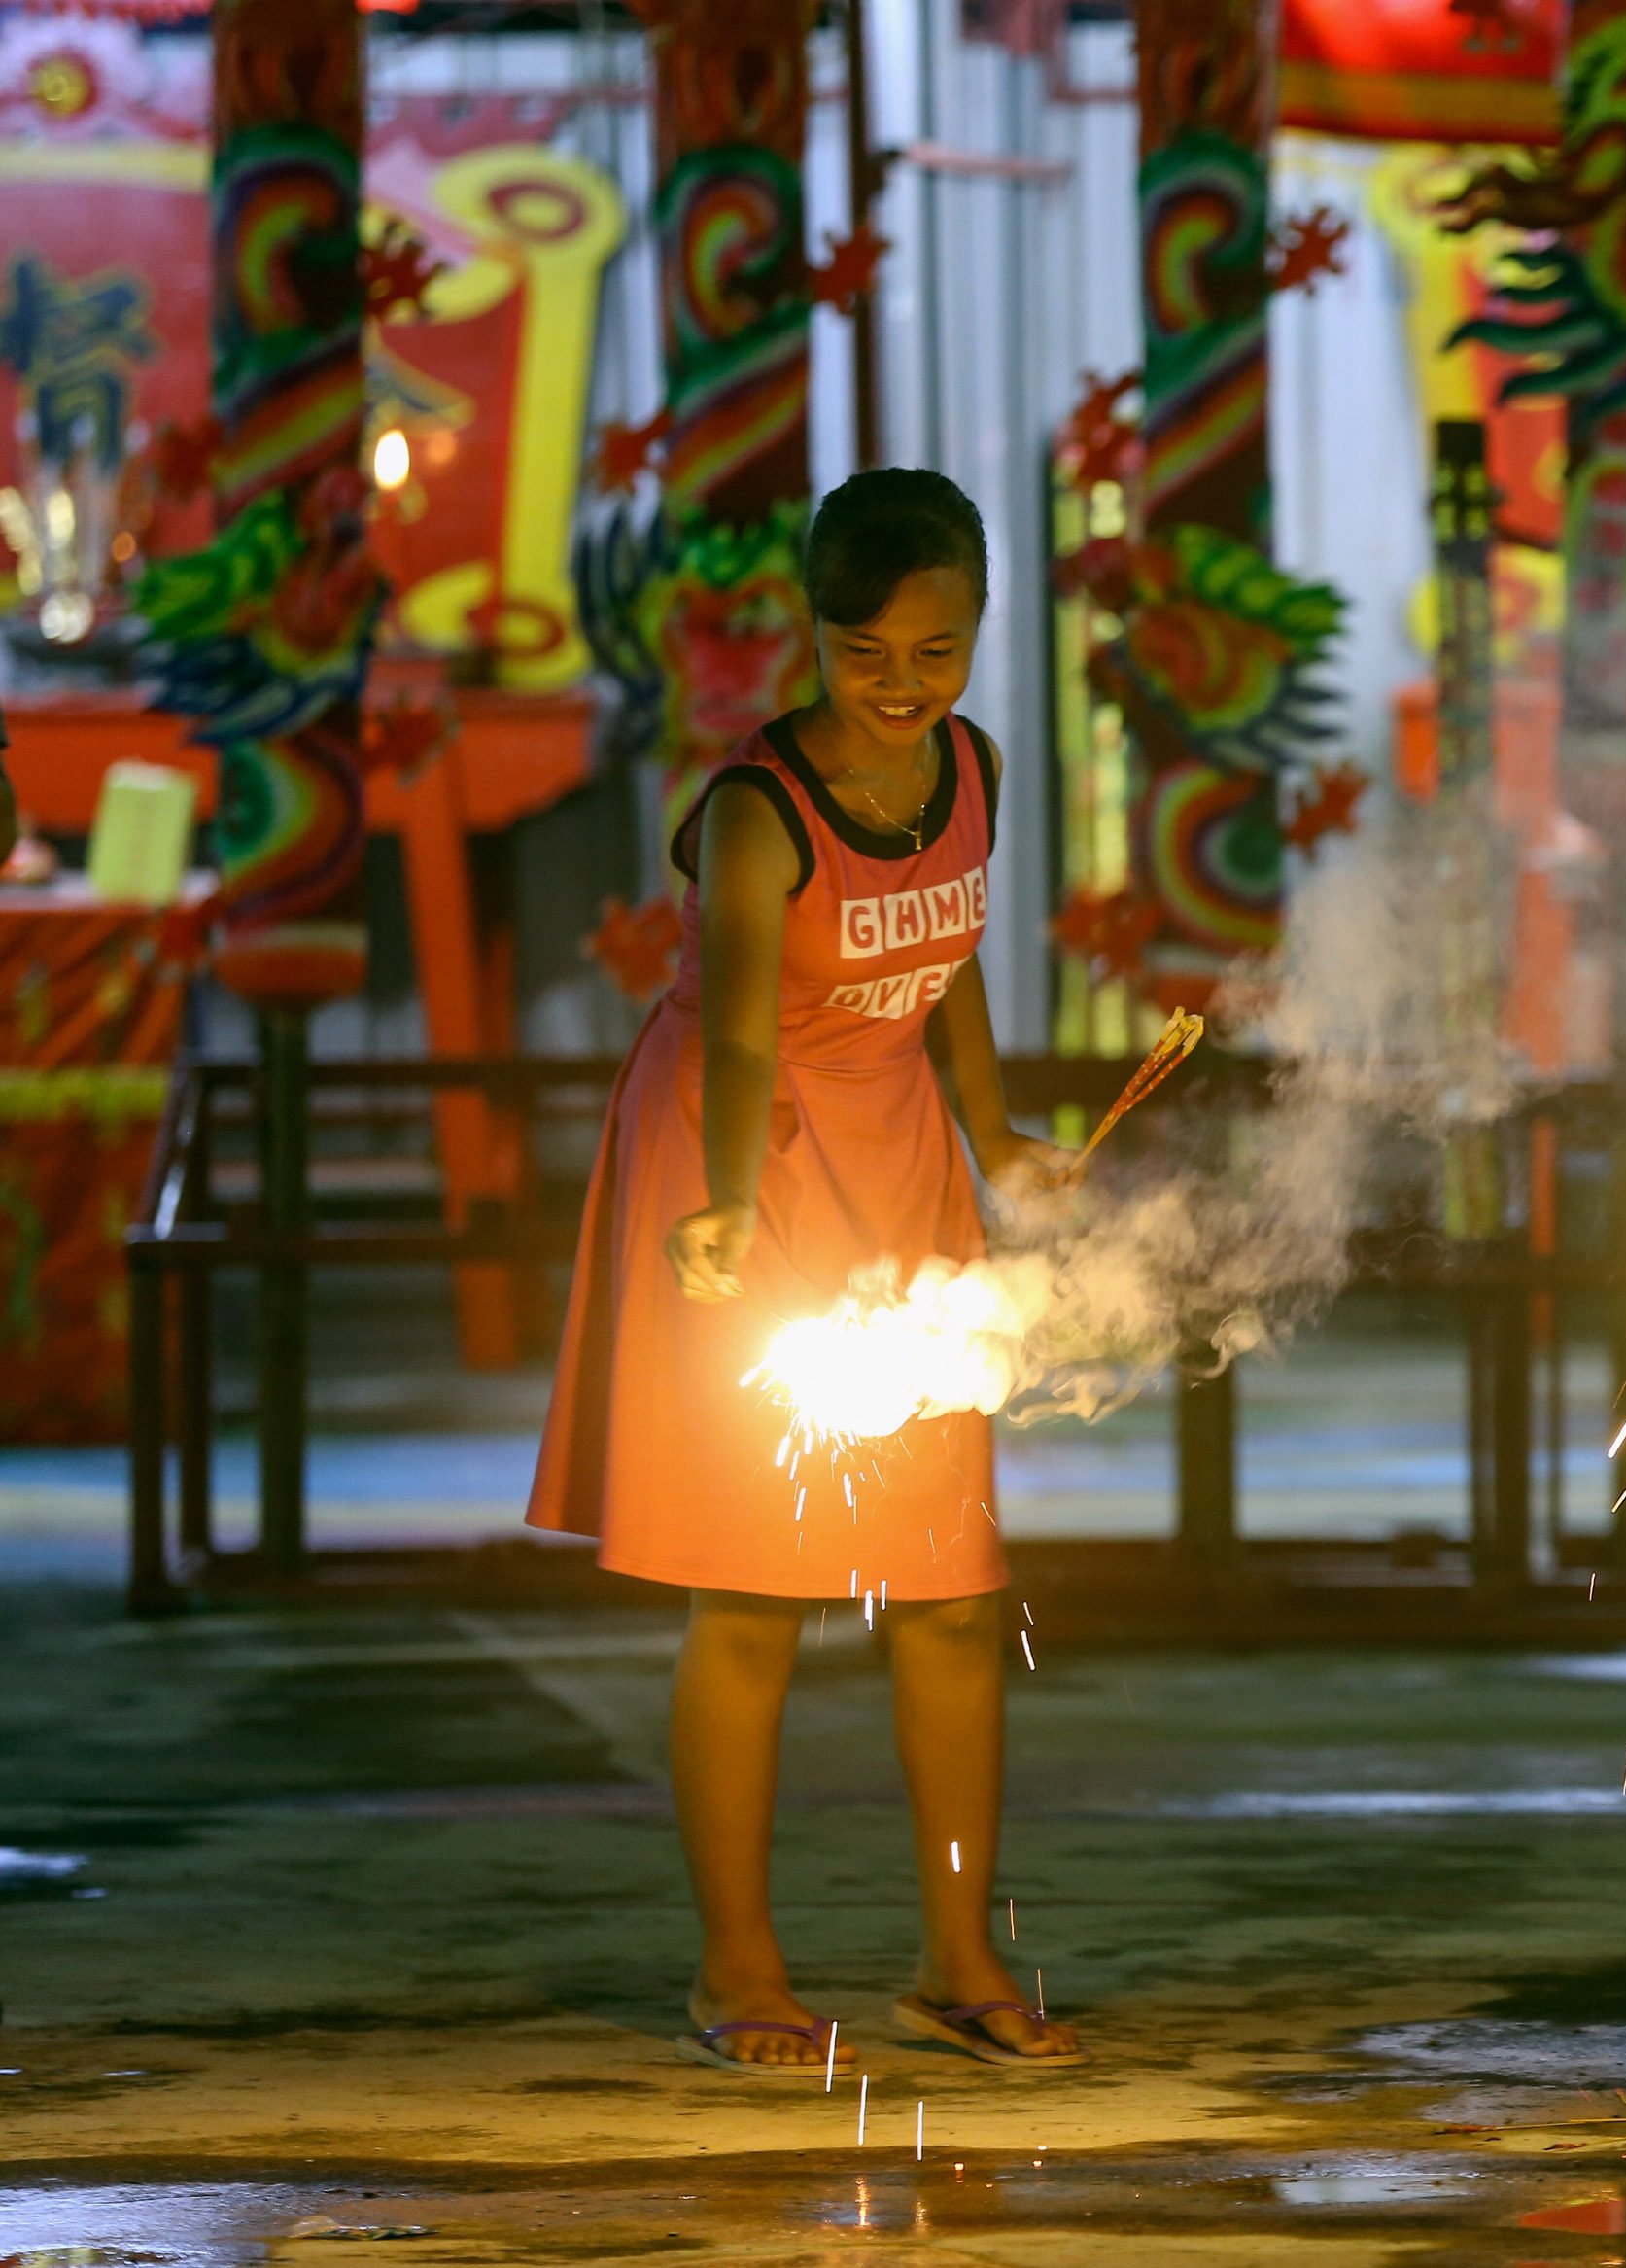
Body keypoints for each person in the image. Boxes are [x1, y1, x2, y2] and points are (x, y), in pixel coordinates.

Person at [526, 469, 1083, 2075]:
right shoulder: (762, 810)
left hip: (904, 1165)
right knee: (756, 1597)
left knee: (954, 1597)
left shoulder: (971, 765)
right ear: (813, 635)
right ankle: (736, 1967)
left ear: (977, 632)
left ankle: (960, 1957)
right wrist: (715, 1203)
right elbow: (747, 1025)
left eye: (936, 650)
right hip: (739, 1172)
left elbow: (953, 954)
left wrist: (997, 1136)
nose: (902, 688)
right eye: (864, 655)